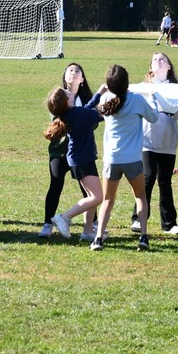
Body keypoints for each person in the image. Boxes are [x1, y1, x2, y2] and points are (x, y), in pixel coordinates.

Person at [90, 65, 159, 252]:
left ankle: (98, 239)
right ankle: (144, 236)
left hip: (112, 159)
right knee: (140, 196)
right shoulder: (136, 99)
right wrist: (153, 99)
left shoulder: (105, 98)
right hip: (133, 159)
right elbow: (153, 118)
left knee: (107, 200)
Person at [39, 63, 94, 239]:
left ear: (82, 79)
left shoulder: (87, 99)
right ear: (64, 77)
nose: (73, 73)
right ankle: (48, 223)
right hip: (59, 151)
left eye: (78, 70)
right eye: (70, 70)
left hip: (80, 152)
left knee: (88, 190)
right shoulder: (58, 96)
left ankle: (91, 224)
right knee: (55, 184)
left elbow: (92, 121)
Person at [44, 84, 105, 242]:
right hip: (82, 159)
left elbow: (86, 109)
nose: (70, 92)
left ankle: (87, 231)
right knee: (98, 197)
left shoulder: (72, 113)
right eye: (67, 93)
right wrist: (117, 100)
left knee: (92, 196)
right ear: (67, 100)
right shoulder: (77, 113)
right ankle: (64, 217)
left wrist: (99, 93)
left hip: (80, 158)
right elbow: (99, 114)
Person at [137, 53, 178, 235]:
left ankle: (169, 224)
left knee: (165, 181)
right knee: (147, 177)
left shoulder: (177, 88)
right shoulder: (142, 88)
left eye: (162, 59)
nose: (159, 61)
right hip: (147, 140)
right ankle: (138, 218)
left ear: (169, 67)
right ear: (151, 68)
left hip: (168, 141)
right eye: (155, 59)